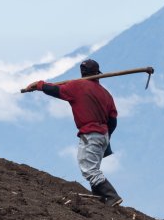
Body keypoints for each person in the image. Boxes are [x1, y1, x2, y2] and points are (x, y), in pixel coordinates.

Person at [25, 59, 122, 206]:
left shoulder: (77, 86)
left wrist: (39, 85)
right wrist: (107, 137)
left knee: (89, 170)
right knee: (93, 168)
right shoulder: (106, 94)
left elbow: (55, 90)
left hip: (90, 135)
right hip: (103, 135)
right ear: (97, 74)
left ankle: (112, 196)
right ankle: (99, 199)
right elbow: (113, 120)